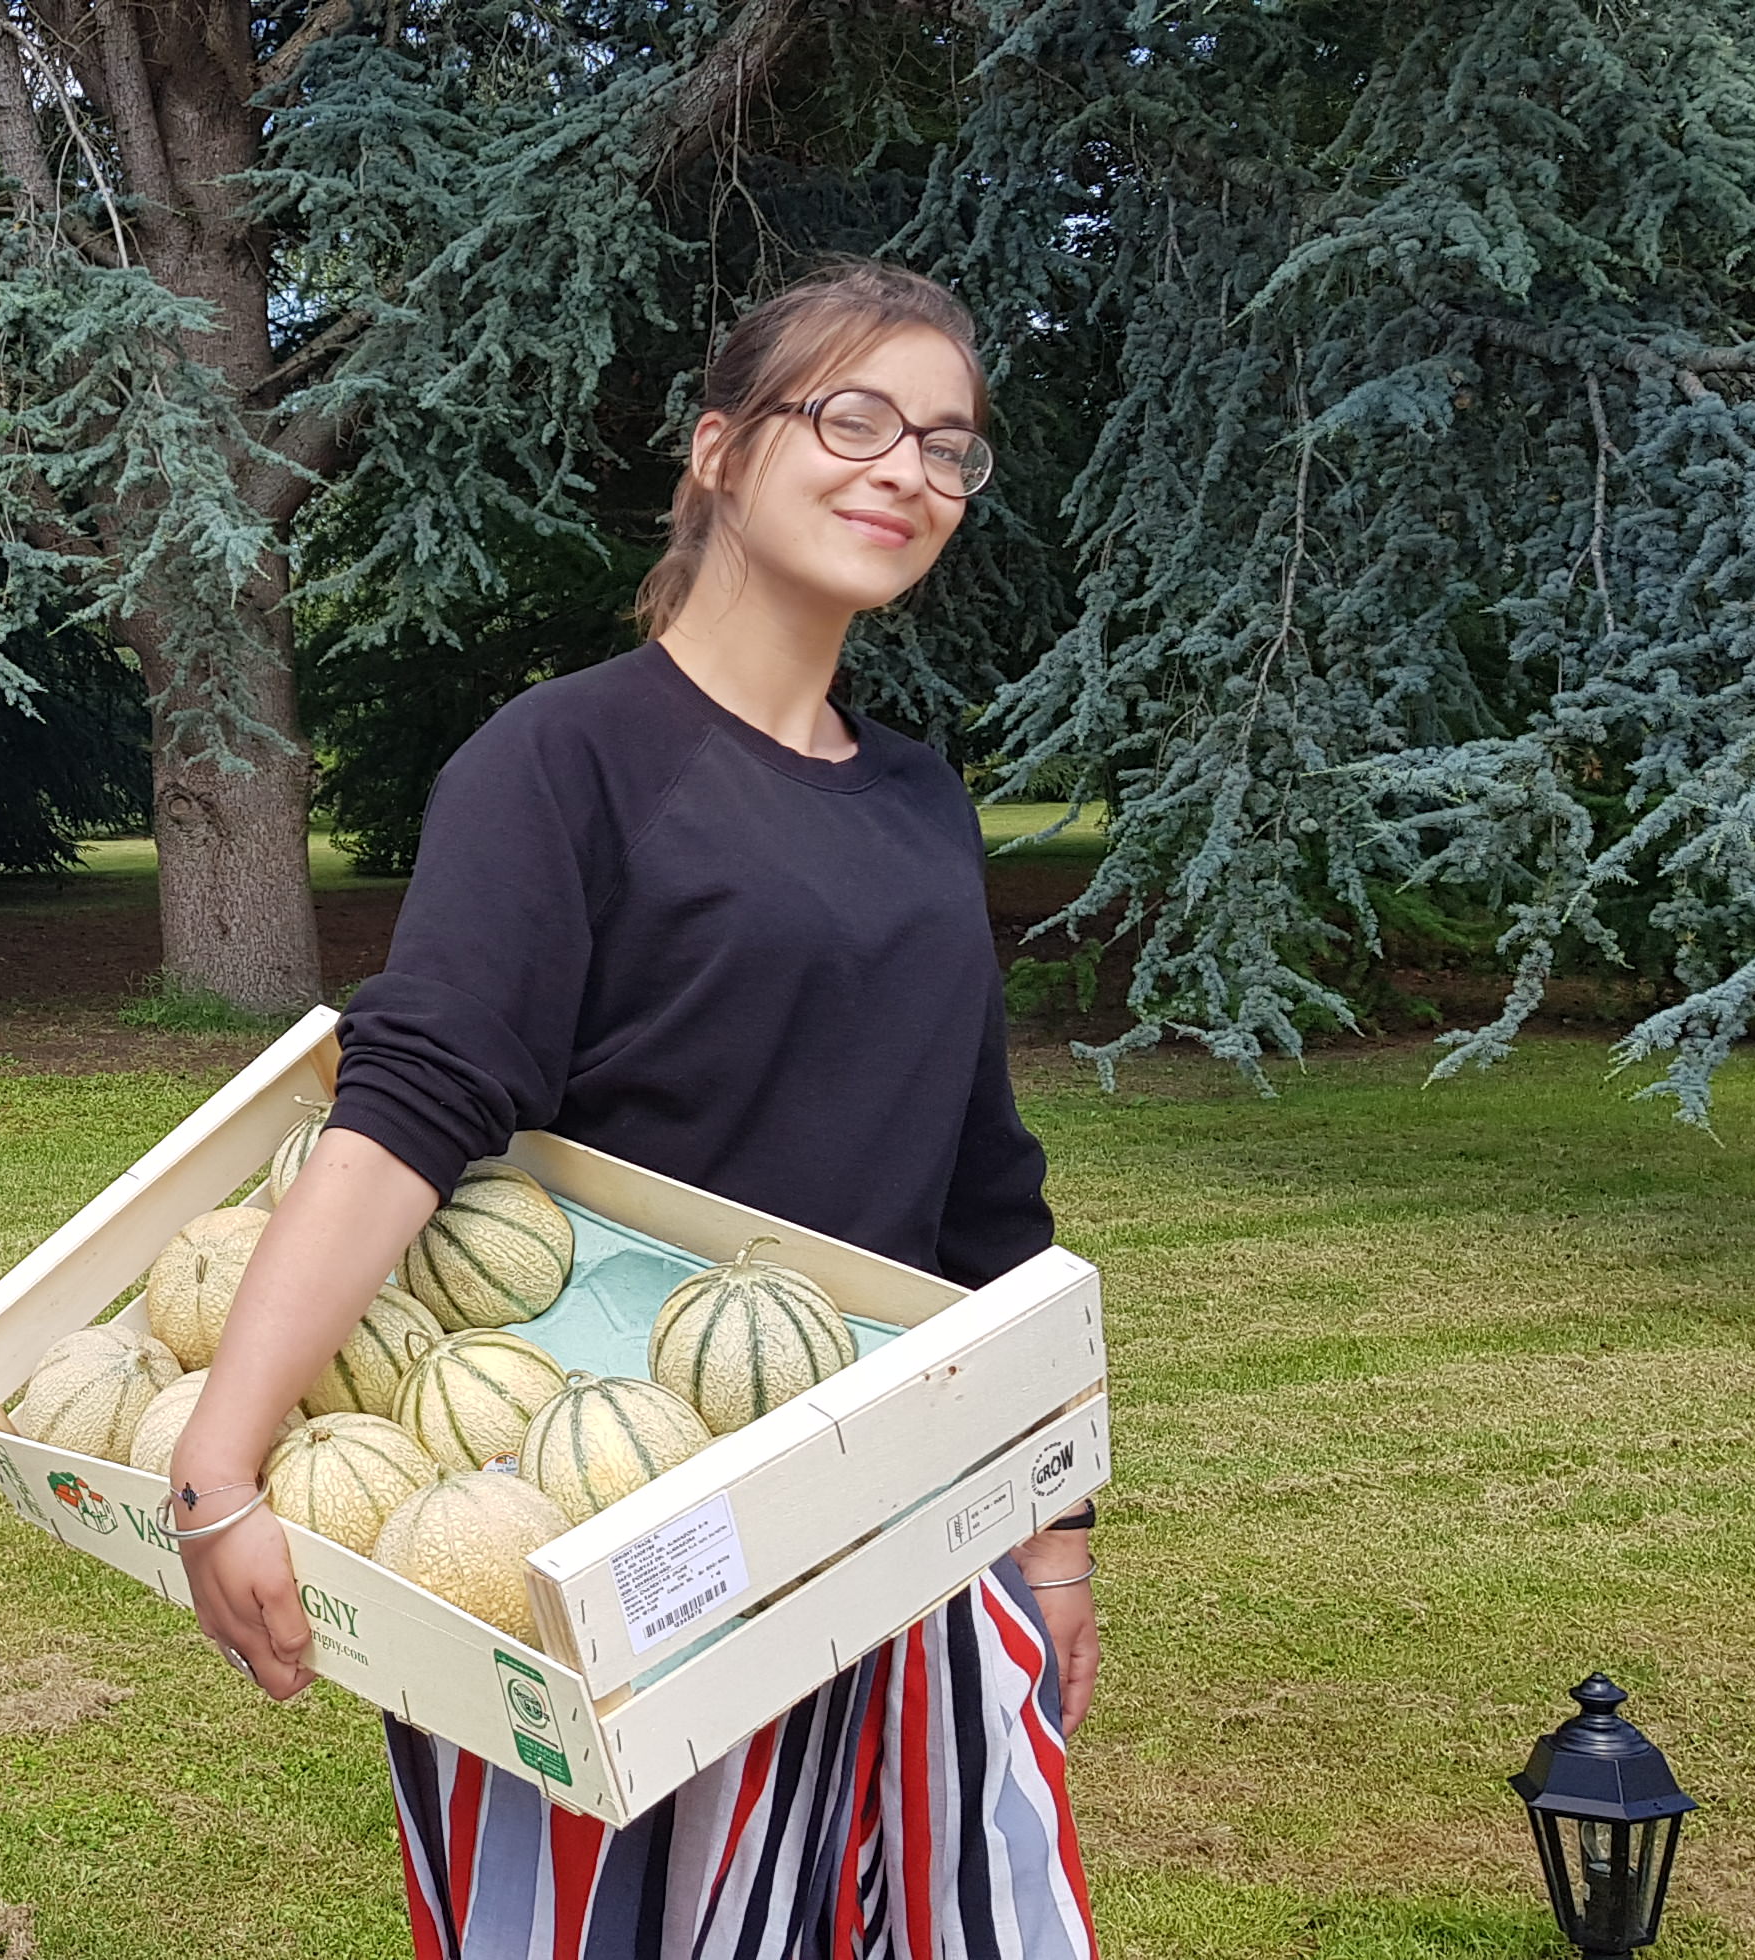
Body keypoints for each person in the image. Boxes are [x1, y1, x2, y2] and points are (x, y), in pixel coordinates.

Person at [166, 263, 1104, 1958]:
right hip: (600, 1542)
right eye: (854, 418)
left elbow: (983, 1203)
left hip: (893, 1541)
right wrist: (218, 1465)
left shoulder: (916, 806)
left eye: (949, 446)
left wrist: (1053, 1539)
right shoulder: (562, 761)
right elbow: (411, 1106)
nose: (907, 471)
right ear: (720, 450)